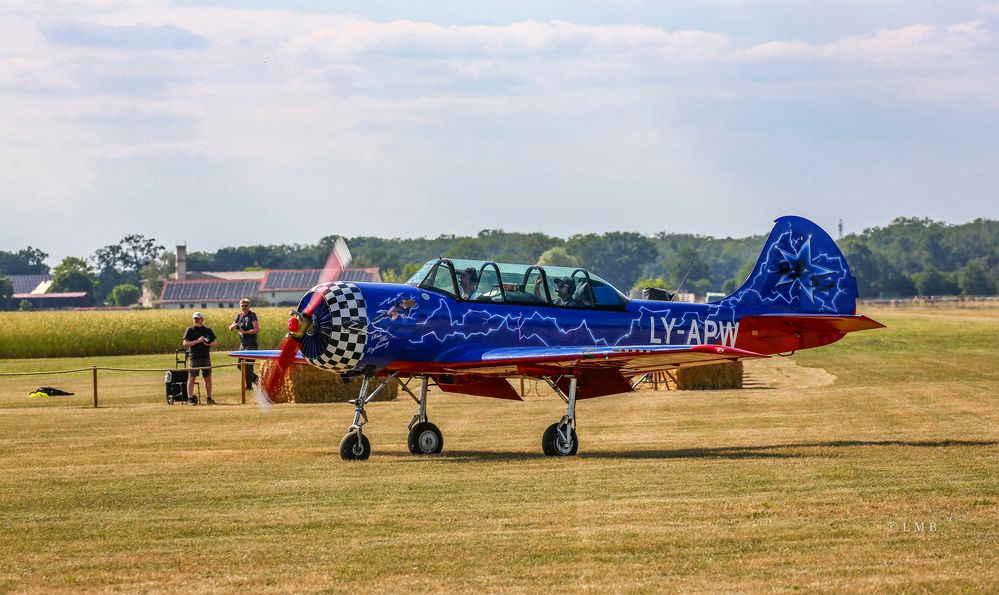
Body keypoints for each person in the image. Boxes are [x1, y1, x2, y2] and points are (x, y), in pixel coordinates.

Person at [183, 312, 217, 404]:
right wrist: (197, 341)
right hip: (194, 357)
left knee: (208, 378)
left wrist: (208, 343)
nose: (196, 320)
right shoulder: (189, 330)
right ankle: (190, 399)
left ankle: (209, 398)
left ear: (202, 319)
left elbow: (215, 342)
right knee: (192, 378)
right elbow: (185, 343)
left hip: (206, 357)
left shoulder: (208, 330)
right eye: (194, 318)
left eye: (198, 318)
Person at [229, 298, 260, 388]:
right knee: (240, 366)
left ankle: (249, 386)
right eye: (242, 306)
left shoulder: (252, 315)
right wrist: (234, 325)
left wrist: (245, 332)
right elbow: (230, 328)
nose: (244, 307)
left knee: (249, 366)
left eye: (246, 306)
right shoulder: (239, 316)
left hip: (251, 344)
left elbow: (256, 329)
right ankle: (258, 380)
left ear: (249, 306)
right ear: (240, 306)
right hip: (243, 345)